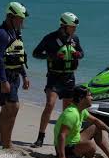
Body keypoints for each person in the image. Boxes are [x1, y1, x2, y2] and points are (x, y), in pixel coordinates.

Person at [31, 12, 84, 148]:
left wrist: (78, 54)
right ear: (64, 26)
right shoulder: (50, 38)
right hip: (54, 77)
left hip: (69, 78)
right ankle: (40, 137)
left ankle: (64, 140)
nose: (75, 29)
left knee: (67, 112)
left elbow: (82, 53)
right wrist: (53, 56)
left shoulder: (75, 39)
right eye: (72, 26)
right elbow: (36, 53)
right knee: (50, 104)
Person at [0, 2, 30, 149]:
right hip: (4, 76)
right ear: (11, 17)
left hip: (14, 76)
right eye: (20, 18)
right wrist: (3, 81)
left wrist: (24, 76)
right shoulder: (1, 34)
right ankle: (7, 143)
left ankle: (3, 140)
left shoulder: (15, 32)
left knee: (6, 109)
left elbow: (18, 56)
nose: (22, 21)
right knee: (14, 107)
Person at [54, 86, 109, 158]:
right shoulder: (71, 113)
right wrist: (62, 157)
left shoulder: (81, 110)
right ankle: (88, 157)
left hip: (74, 141)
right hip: (64, 148)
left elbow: (96, 120)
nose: (92, 98)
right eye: (89, 95)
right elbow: (61, 135)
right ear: (81, 98)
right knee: (91, 145)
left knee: (95, 127)